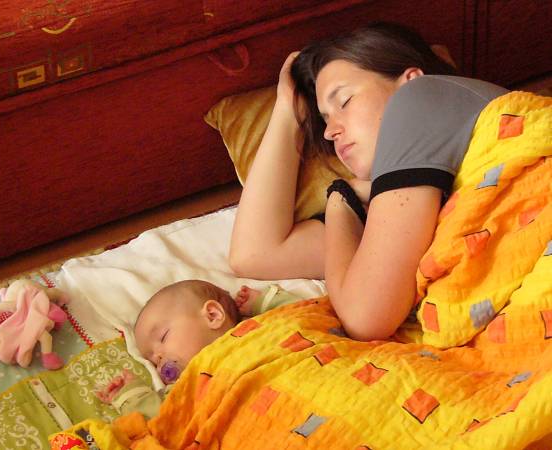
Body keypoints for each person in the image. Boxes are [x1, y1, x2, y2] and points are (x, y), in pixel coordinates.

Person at [228, 22, 508, 341]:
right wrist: (288, 109)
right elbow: (253, 254)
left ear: (410, 80)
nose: (329, 131)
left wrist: (339, 198)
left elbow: (365, 317)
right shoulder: (391, 205)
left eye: (344, 101)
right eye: (323, 118)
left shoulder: (421, 96)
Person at [97, 280, 300, 418]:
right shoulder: (192, 382)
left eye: (163, 337)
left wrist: (266, 302)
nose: (158, 358)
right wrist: (132, 396)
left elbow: (304, 319)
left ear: (212, 315)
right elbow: (167, 414)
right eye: (152, 361)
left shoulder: (260, 330)